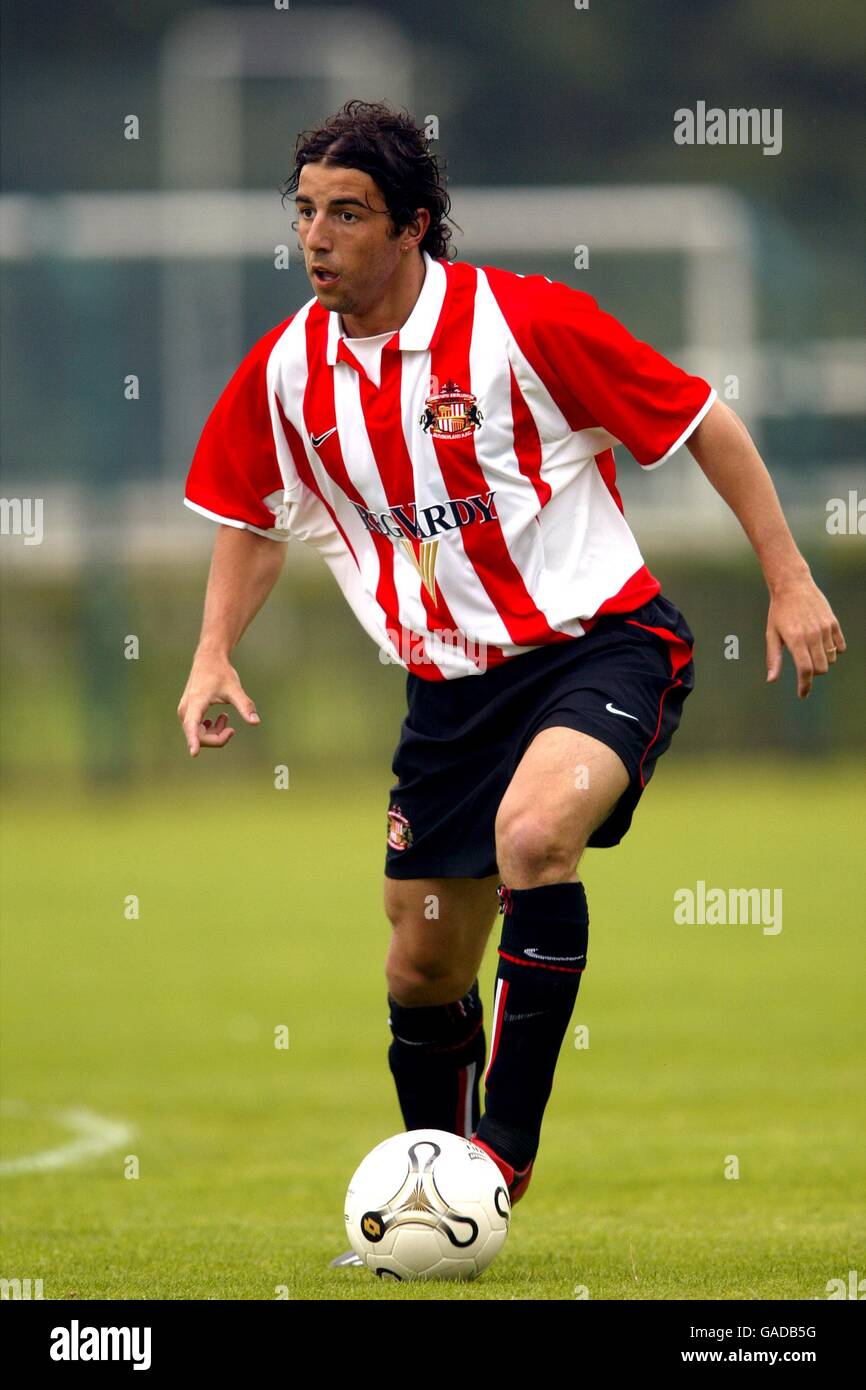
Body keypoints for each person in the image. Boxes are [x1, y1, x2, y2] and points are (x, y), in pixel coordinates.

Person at [177, 100, 846, 1245]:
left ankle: (500, 1152)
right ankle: (433, 1195)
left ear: (412, 228)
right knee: (419, 963)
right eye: (302, 214)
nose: (317, 238)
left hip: (602, 646)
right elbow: (250, 515)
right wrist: (209, 653)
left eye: (347, 213)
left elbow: (702, 423)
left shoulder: (520, 325)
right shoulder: (287, 371)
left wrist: (787, 579)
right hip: (447, 697)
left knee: (535, 836)